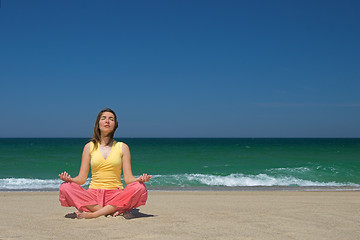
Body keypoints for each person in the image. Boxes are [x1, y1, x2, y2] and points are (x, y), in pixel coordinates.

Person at [58, 108, 152, 219]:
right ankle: (111, 211)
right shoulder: (89, 147)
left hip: (115, 195)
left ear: (115, 125)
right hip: (93, 195)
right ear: (98, 124)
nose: (107, 121)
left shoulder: (123, 147)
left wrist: (139, 180)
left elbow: (128, 179)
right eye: (104, 118)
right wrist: (70, 180)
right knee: (65, 187)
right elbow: (82, 178)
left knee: (139, 187)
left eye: (111, 119)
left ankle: (95, 214)